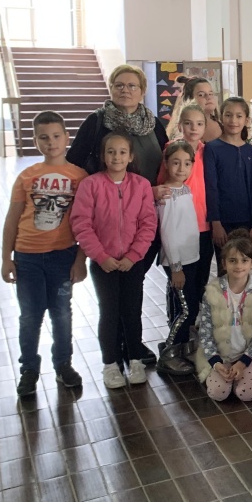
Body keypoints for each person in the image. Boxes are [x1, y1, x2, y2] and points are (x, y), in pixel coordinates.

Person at [1, 111, 88, 396]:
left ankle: (63, 364)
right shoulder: (26, 177)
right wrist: (6, 258)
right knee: (30, 316)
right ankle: (29, 369)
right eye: (44, 137)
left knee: (61, 313)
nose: (51, 142)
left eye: (56, 136)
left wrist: (80, 259)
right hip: (27, 258)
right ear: (35, 141)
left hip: (63, 256)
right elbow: (12, 219)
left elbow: (87, 223)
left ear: (66, 137)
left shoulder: (79, 177)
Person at [70, 133, 158, 389]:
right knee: (109, 312)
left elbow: (148, 223)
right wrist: (101, 256)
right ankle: (110, 364)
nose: (116, 157)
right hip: (103, 263)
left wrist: (133, 255)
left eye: (122, 152)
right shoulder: (91, 185)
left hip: (133, 262)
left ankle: (135, 360)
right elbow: (82, 224)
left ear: (130, 156)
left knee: (132, 311)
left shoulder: (141, 185)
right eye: (111, 152)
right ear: (102, 155)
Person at [195, 230, 252, 402]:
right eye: (233, 260)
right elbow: (205, 332)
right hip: (220, 356)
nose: (239, 266)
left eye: (244, 260)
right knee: (218, 393)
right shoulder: (212, 292)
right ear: (224, 263)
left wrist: (244, 361)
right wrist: (216, 362)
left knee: (245, 393)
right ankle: (223, 376)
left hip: (247, 356)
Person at [156, 103, 213, 330]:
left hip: (202, 226)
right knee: (178, 286)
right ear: (180, 125)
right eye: (188, 123)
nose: (194, 128)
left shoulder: (207, 151)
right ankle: (176, 332)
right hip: (177, 225)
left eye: (199, 124)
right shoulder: (171, 150)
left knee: (199, 282)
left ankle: (191, 328)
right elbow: (162, 184)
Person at [68, 64, 168, 184]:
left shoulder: (153, 123)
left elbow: (168, 162)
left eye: (132, 86)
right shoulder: (95, 121)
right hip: (103, 193)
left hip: (150, 193)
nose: (125, 90)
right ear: (111, 89)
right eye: (119, 85)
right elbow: (73, 162)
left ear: (142, 91)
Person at [154, 141, 202, 376]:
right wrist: (175, 267)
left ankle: (178, 346)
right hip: (178, 262)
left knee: (183, 306)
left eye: (186, 163)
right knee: (186, 310)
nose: (181, 168)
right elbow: (168, 233)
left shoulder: (185, 190)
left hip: (190, 258)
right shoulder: (166, 194)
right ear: (166, 164)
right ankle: (169, 355)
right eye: (176, 163)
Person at [204, 97, 252, 268]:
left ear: (247, 120)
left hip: (247, 222)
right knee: (225, 268)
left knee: (244, 268)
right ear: (221, 117)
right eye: (228, 115)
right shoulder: (212, 148)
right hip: (223, 221)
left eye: (239, 116)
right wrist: (216, 222)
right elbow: (211, 187)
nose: (233, 120)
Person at [165, 75, 221, 143]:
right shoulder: (182, 133)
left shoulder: (223, 123)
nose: (208, 97)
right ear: (189, 100)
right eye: (201, 95)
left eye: (210, 94)